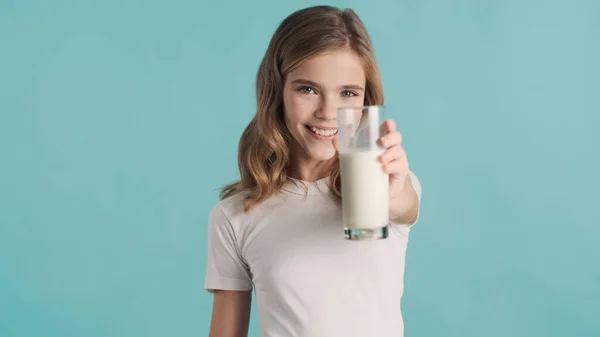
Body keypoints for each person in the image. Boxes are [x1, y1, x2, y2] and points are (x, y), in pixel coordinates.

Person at [204, 5, 422, 337]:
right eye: (307, 89)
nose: (327, 112)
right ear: (277, 92)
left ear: (366, 102)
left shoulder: (384, 188)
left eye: (347, 93)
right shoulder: (235, 215)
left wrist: (391, 193)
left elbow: (404, 206)